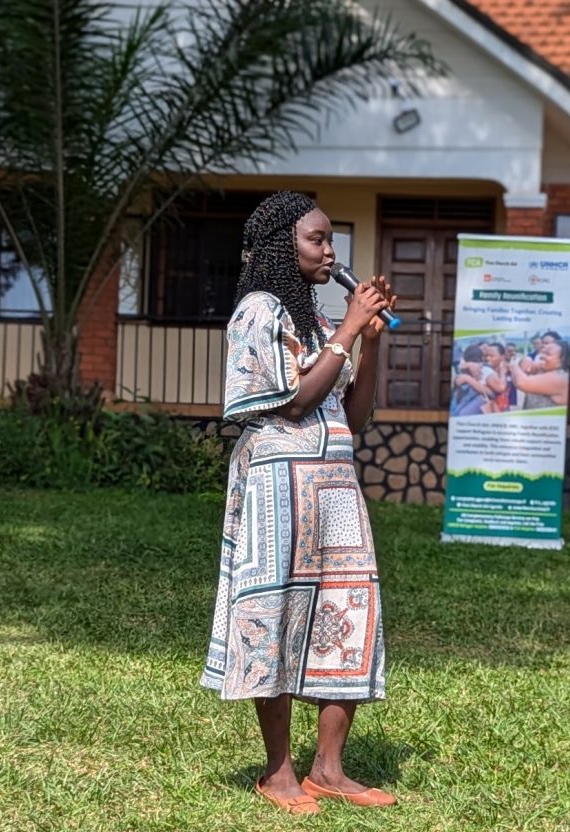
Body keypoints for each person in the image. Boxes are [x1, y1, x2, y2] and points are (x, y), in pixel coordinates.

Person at [200, 191, 397, 814]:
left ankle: (329, 770)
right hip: (277, 484)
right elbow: (290, 403)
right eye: (317, 239)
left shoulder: (315, 323)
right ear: (284, 243)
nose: (330, 251)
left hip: (335, 487)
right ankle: (277, 772)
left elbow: (355, 415)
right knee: (277, 614)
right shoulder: (258, 313)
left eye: (332, 239)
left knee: (349, 610)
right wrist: (346, 328)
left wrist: (370, 340)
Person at [509, 340, 569, 409]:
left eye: (548, 354)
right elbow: (525, 365)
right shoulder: (542, 369)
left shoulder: (561, 379)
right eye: (543, 352)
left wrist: (514, 364)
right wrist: (526, 359)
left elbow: (521, 382)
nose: (542, 356)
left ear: (561, 359)